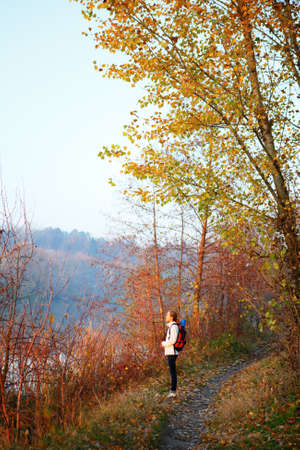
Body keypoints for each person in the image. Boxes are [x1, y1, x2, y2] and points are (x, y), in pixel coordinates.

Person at [161, 310, 179, 398]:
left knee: (173, 372)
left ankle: (173, 392)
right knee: (172, 371)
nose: (166, 316)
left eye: (167, 315)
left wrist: (164, 343)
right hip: (170, 351)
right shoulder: (171, 326)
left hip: (172, 352)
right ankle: (173, 391)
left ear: (171, 317)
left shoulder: (174, 327)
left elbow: (173, 341)